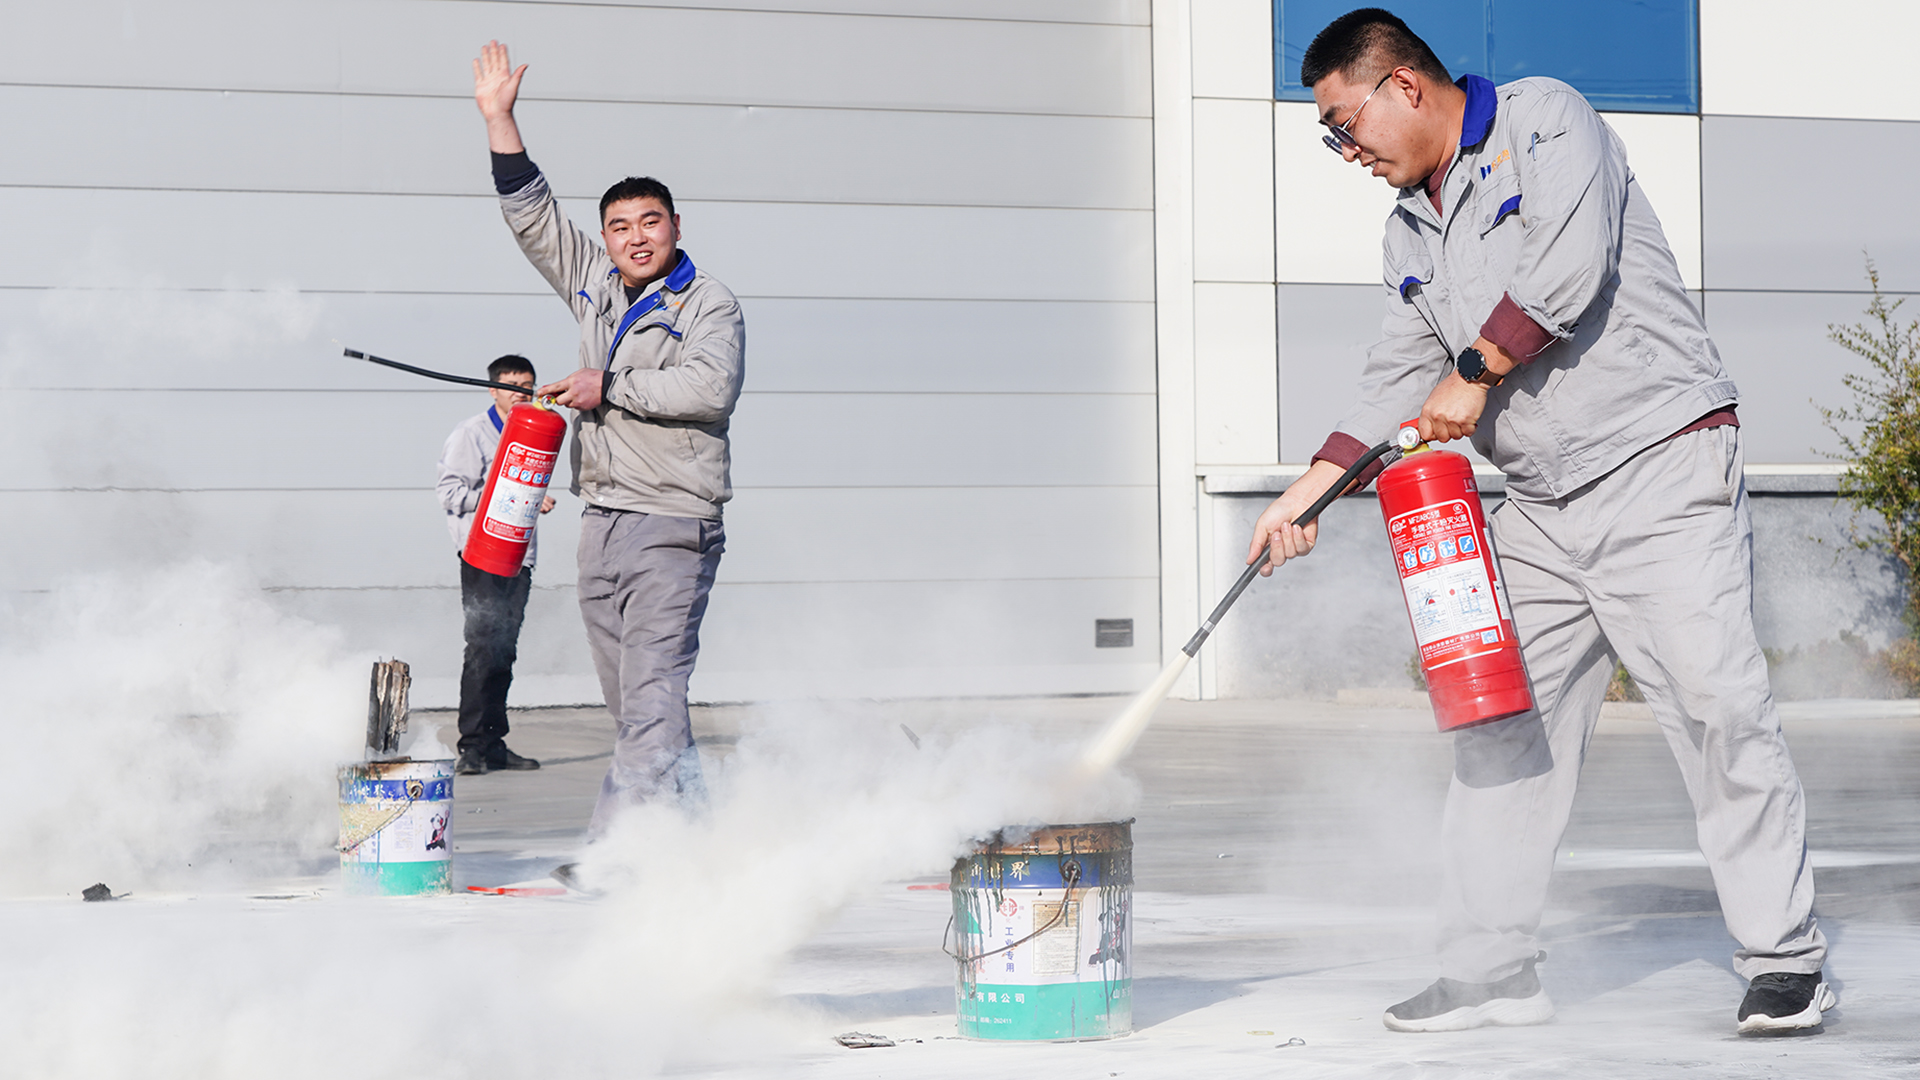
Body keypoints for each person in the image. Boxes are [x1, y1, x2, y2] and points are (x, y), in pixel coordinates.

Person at [1249, 8, 1831, 1036]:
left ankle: (1788, 962)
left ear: (1405, 87)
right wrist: (1303, 498)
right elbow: (1392, 377)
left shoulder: (1546, 122)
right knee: (1497, 722)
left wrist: (1473, 372)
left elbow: (1569, 263)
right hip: (1544, 504)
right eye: (1330, 135)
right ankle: (1492, 968)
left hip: (1659, 465)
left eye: (1345, 124)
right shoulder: (1407, 233)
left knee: (1715, 707)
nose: (1345, 151)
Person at [471, 41, 744, 837]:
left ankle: (616, 854)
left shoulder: (710, 304)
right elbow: (534, 219)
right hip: (602, 524)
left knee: (654, 694)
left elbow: (708, 388)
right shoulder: (594, 283)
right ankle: (696, 840)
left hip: (673, 522)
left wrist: (608, 386)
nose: (634, 236)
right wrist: (500, 119)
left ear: (675, 226)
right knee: (636, 706)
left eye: (648, 221)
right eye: (618, 225)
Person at [436, 354, 556, 776]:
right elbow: (450, 493)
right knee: (481, 649)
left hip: (520, 558)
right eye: (512, 386)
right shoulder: (473, 434)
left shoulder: (534, 431)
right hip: (482, 557)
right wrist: (508, 497)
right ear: (494, 390)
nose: (521, 393)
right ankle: (470, 746)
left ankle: (494, 743)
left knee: (505, 652)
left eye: (528, 384)